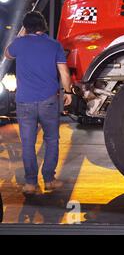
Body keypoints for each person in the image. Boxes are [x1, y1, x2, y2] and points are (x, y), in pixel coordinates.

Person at [5, 11, 72, 195]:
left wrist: (21, 34)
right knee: (51, 139)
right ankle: (49, 180)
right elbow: (64, 73)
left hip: (25, 101)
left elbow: (7, 54)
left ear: (26, 27)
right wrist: (68, 92)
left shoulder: (19, 44)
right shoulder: (54, 45)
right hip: (48, 101)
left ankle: (30, 184)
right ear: (43, 25)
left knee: (27, 143)